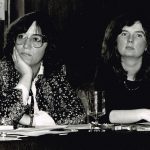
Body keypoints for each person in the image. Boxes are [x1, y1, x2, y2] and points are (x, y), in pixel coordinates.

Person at [0, 11, 86, 127]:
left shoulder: (53, 75)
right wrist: (26, 76)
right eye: (21, 37)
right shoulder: (2, 71)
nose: (26, 45)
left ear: (48, 45)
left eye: (35, 39)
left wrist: (32, 121)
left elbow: (78, 114)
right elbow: (5, 118)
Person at [95, 12, 150, 124]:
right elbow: (102, 116)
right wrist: (144, 113)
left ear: (147, 45)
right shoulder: (104, 71)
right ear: (115, 41)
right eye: (124, 34)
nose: (130, 39)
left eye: (138, 35)